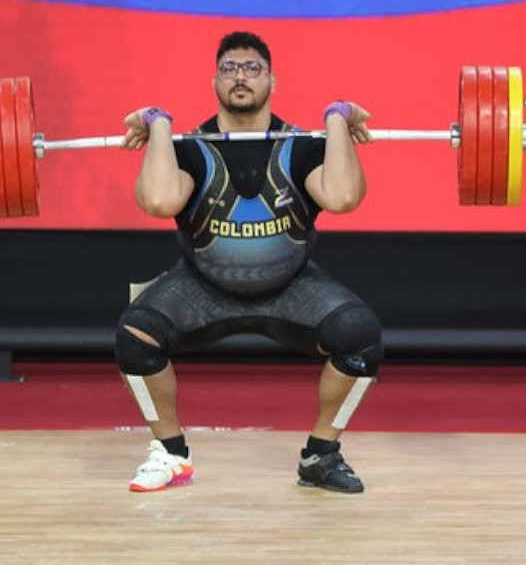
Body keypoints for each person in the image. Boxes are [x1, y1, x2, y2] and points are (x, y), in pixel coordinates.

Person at [115, 30, 384, 494]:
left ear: (272, 81)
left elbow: (341, 197)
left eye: (252, 68)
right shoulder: (188, 148)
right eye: (229, 69)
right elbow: (159, 201)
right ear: (215, 82)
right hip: (202, 288)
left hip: (292, 288)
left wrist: (336, 119)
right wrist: (159, 124)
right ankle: (170, 453)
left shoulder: (301, 146)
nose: (240, 76)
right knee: (135, 334)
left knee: (360, 336)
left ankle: (321, 455)